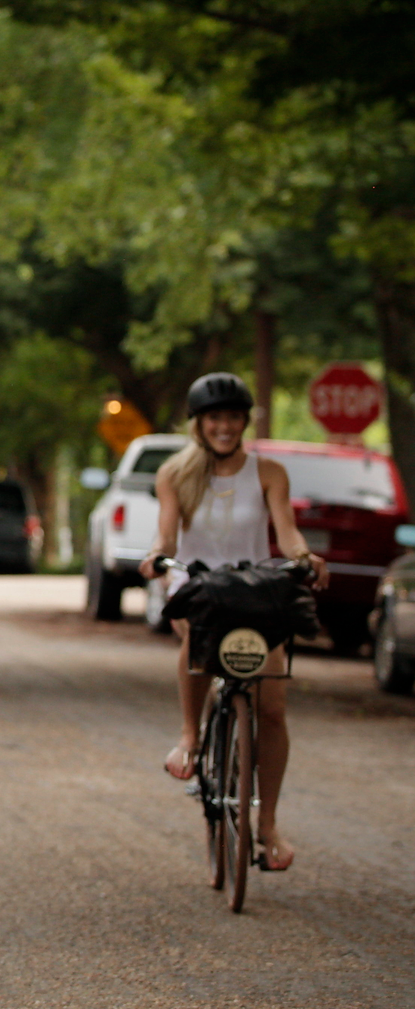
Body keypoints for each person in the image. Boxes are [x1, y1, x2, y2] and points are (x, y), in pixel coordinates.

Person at [140, 371, 328, 872]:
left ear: (244, 421)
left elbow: (286, 533)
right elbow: (167, 537)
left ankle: (265, 826)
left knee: (272, 708)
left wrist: (304, 556)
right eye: (214, 418)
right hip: (198, 588)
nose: (224, 426)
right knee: (197, 640)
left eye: (233, 417)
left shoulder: (268, 473)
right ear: (198, 423)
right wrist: (158, 556)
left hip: (254, 589)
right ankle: (190, 736)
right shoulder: (175, 473)